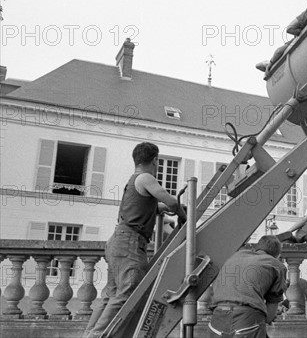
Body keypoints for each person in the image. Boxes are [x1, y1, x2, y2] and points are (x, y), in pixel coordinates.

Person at [83, 142, 187, 338]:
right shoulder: (146, 177)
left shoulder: (133, 181)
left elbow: (145, 209)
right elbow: (171, 201)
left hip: (118, 241)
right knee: (129, 292)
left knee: (110, 295)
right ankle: (98, 335)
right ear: (155, 160)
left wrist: (162, 209)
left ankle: (90, 334)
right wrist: (183, 215)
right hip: (130, 243)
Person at [209, 235, 287, 338]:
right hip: (247, 320)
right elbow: (270, 312)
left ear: (256, 248)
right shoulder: (276, 265)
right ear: (277, 255)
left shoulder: (234, 257)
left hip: (217, 318)